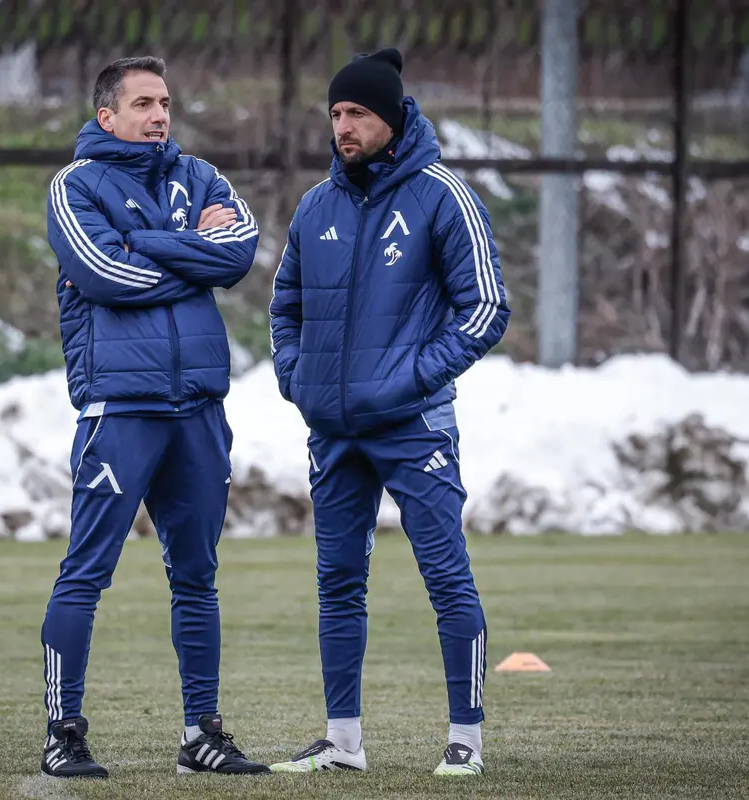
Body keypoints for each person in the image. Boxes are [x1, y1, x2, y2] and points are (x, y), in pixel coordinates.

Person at [267, 47, 511, 777]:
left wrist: (412, 378)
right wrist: (299, 380)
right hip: (334, 432)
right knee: (338, 585)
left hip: (413, 427)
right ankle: (343, 742)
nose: (343, 126)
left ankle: (466, 740)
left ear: (393, 119)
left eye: (357, 113)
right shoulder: (316, 206)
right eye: (336, 113)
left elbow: (486, 308)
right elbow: (284, 308)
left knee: (446, 578)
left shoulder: (443, 196)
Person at [39, 55, 269, 778]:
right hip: (120, 409)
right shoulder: (75, 186)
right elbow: (106, 275)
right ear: (106, 115)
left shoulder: (200, 176)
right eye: (142, 103)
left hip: (198, 408)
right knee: (86, 573)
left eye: (165, 102)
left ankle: (202, 734)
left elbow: (237, 254)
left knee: (197, 576)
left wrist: (146, 242)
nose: (159, 115)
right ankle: (63, 733)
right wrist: (188, 251)